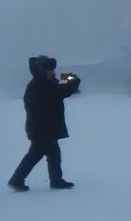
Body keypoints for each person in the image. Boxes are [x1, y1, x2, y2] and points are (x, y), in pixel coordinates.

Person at [8, 56, 81, 191]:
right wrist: (72, 79)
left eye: (53, 69)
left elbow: (60, 87)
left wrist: (68, 77)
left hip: (42, 128)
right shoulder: (40, 85)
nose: (52, 72)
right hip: (43, 129)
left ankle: (18, 180)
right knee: (49, 154)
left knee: (40, 154)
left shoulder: (43, 83)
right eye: (50, 70)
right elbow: (62, 91)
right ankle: (54, 181)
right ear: (42, 70)